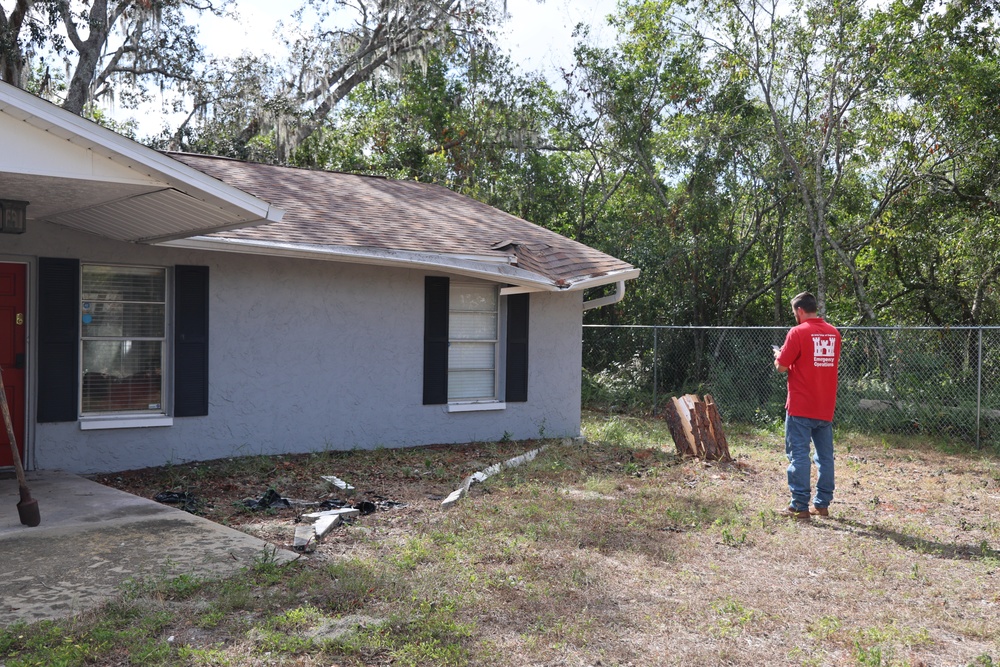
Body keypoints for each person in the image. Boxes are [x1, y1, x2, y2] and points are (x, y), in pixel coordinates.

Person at [773, 292, 841, 520]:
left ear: (800, 310)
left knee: (799, 454)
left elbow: (782, 366)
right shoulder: (834, 333)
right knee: (825, 457)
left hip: (801, 405)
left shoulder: (797, 332)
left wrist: (778, 356)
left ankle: (800, 505)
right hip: (825, 405)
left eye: (795, 313)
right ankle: (822, 504)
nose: (795, 316)